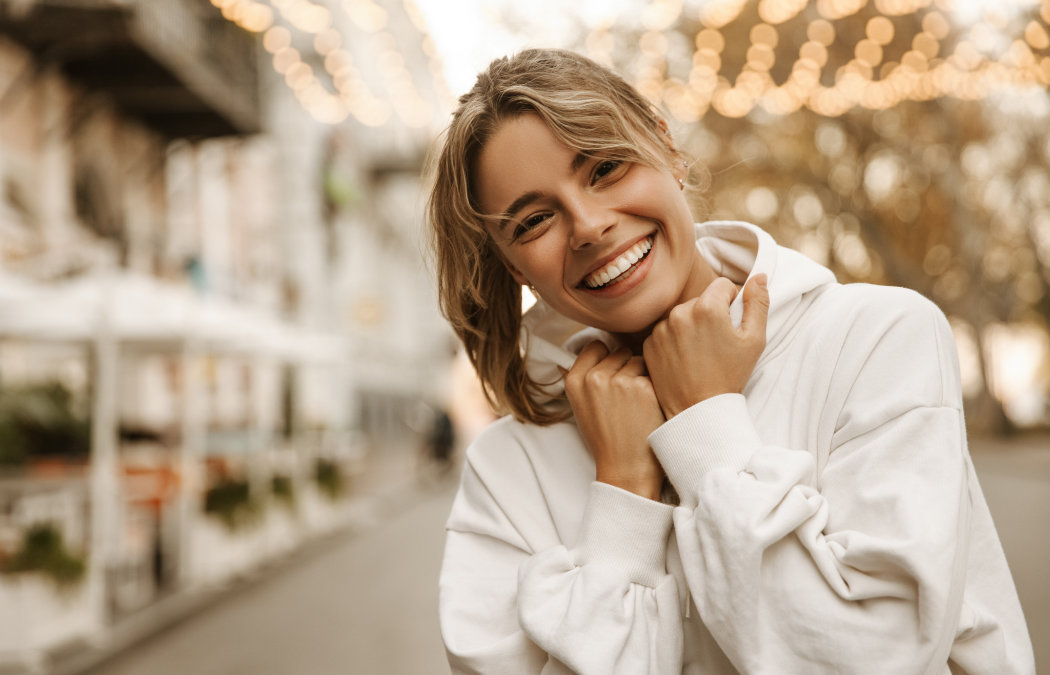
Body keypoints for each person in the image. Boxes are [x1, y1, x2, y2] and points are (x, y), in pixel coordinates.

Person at [426, 48, 1035, 674]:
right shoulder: (508, 468)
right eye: (533, 220)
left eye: (605, 167)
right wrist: (625, 498)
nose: (586, 226)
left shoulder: (875, 339)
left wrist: (704, 427)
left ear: (667, 147)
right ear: (509, 263)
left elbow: (878, 657)